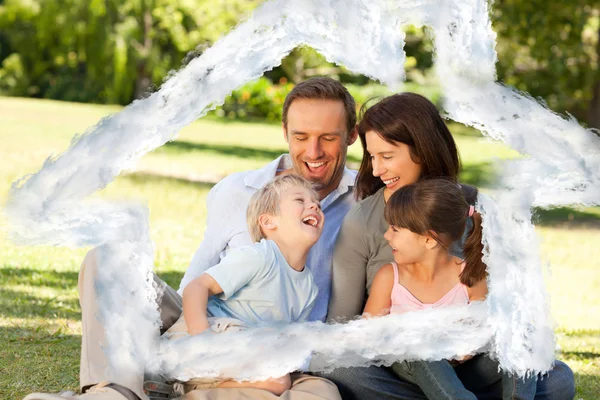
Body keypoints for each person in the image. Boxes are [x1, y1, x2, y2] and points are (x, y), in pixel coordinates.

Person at [24, 77, 358, 400]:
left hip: (266, 351)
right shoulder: (236, 190)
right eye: (301, 136)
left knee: (319, 394)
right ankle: (117, 391)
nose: (313, 151)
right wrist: (197, 341)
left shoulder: (367, 203)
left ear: (351, 136)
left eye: (328, 137)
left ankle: (173, 388)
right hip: (202, 324)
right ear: (285, 132)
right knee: (107, 261)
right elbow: (196, 280)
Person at [325, 93, 576, 400]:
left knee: (557, 379)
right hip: (403, 368)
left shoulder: (477, 209)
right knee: (339, 372)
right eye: (372, 157)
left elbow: (506, 309)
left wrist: (471, 343)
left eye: (387, 157)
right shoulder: (363, 221)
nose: (377, 170)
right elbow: (342, 326)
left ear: (424, 148)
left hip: (472, 365)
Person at [364, 178, 537, 400]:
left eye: (395, 229)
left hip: (463, 370)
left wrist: (466, 344)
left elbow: (482, 326)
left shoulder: (470, 275)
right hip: (411, 370)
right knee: (418, 346)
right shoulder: (389, 276)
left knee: (519, 331)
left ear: (429, 240)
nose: (387, 236)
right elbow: (368, 333)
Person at [165, 174, 323, 395]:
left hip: (245, 348)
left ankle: (193, 386)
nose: (314, 206)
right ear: (269, 222)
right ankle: (182, 384)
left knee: (279, 379)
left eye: (317, 204)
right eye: (300, 201)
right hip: (206, 336)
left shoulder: (308, 288)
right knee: (277, 379)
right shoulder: (259, 257)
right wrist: (202, 340)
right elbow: (196, 287)